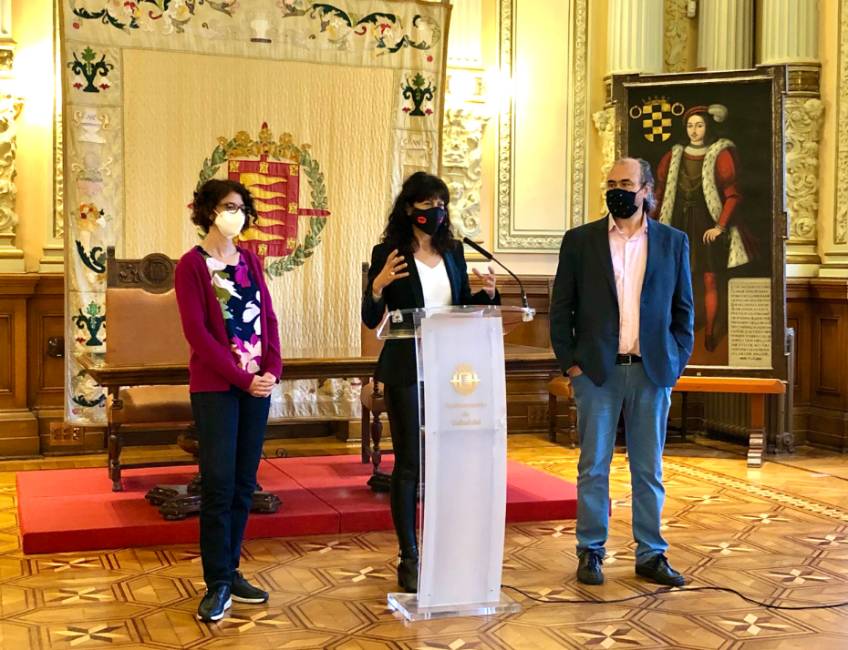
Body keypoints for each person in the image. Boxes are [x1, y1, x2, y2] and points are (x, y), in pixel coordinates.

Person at [550, 157, 694, 587]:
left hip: (651, 371)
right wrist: (571, 363)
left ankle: (651, 554)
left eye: (626, 183)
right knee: (593, 466)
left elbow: (683, 311)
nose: (618, 190)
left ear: (646, 190)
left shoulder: (673, 242)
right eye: (611, 183)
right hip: (597, 372)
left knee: (648, 469)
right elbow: (561, 308)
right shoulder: (580, 241)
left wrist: (674, 360)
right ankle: (591, 550)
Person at [361, 171, 499, 593]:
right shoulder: (389, 253)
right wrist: (378, 285)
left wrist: (487, 295)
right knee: (410, 463)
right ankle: (410, 555)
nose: (435, 212)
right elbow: (370, 317)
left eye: (441, 204)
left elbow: (460, 306)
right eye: (427, 204)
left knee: (447, 460)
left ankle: (447, 546)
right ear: (409, 208)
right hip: (406, 367)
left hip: (451, 369)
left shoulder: (452, 251)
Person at [175, 179, 282, 622]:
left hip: (257, 386)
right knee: (218, 485)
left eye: (240, 207)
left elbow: (268, 318)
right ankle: (216, 582)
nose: (235, 214)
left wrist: (272, 368)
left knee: (243, 484)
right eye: (227, 206)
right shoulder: (191, 265)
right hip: (218, 387)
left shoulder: (251, 261)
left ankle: (233, 569)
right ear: (207, 211)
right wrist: (243, 378)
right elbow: (197, 334)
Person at [654, 104, 752, 353]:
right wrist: (650, 225)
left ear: (707, 127)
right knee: (675, 278)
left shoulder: (721, 153)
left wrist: (720, 226)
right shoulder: (674, 155)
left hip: (707, 225)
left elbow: (733, 195)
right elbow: (660, 193)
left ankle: (709, 332)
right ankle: (675, 332)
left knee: (710, 279)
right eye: (690, 126)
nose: (694, 130)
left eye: (699, 125)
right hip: (678, 223)